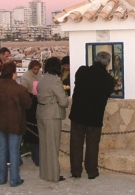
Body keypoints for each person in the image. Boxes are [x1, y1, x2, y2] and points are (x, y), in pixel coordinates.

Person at [69, 51, 115, 180]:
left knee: (76, 143)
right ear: (107, 63)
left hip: (78, 114)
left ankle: (76, 170)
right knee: (93, 145)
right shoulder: (108, 79)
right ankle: (92, 171)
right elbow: (109, 91)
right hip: (95, 116)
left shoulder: (82, 71)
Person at [0, 62, 31, 187]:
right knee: (14, 151)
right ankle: (14, 179)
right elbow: (28, 105)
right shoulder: (20, 89)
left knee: (2, 150)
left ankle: (1, 178)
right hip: (15, 124)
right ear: (13, 73)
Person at [37, 57, 69, 182]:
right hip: (52, 115)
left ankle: (44, 173)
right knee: (53, 146)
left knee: (44, 145)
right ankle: (54, 174)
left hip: (40, 113)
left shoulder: (42, 79)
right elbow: (64, 101)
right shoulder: (55, 81)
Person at [20, 60, 42, 166]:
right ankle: (35, 157)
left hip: (40, 103)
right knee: (33, 133)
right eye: (35, 69)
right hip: (30, 106)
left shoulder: (41, 75)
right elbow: (23, 91)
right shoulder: (25, 77)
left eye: (38, 69)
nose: (36, 71)